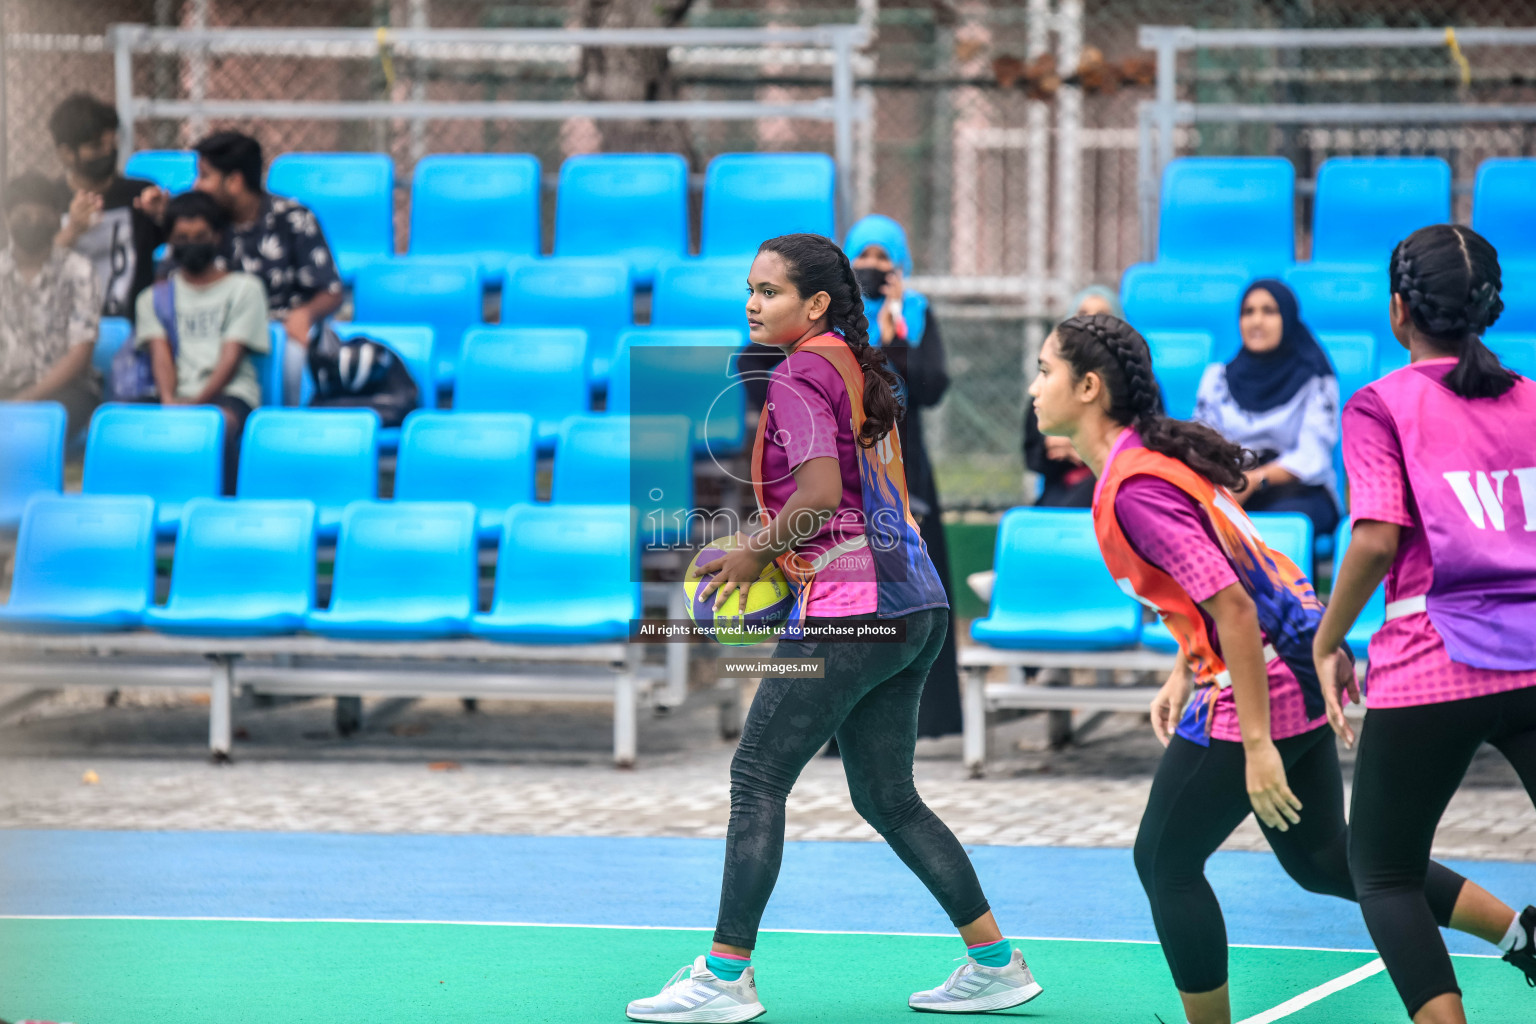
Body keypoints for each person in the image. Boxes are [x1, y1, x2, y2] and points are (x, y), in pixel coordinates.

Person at [1028, 311, 1528, 1024]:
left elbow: (1234, 606)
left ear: (1086, 387)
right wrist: (1183, 666)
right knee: (1327, 858)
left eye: (1044, 371)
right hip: (1285, 671)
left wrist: (1258, 745)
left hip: (1257, 689)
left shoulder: (1136, 485)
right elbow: (1224, 581)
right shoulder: (1147, 461)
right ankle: (1523, 935)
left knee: (1164, 863)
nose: (1033, 386)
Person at [624, 234, 1043, 1022]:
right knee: (889, 796)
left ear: (814, 304)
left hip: (855, 610)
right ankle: (995, 962)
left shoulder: (796, 375)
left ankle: (724, 978)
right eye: (749, 289)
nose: (753, 302)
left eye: (771, 291)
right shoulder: (859, 365)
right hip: (917, 603)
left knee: (756, 779)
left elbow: (816, 494)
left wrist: (753, 551)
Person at [1313, 223, 1536, 1024]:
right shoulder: (1534, 402)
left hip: (1435, 662)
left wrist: (1330, 635)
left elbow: (1374, 536)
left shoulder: (1382, 404)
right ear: (1489, 310)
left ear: (1398, 310)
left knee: (1383, 871)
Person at [844, 213, 961, 739]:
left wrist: (896, 329)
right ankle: (842, 716)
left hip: (906, 469)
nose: (870, 268)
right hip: (848, 468)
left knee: (919, 588)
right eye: (861, 258)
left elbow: (933, 387)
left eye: (881, 258)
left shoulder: (915, 313)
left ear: (899, 267)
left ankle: (926, 717)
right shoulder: (831, 321)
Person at [141, 131, 343, 403]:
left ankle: (287, 429)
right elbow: (166, 280)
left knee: (295, 354)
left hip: (279, 330)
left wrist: (305, 314)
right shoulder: (204, 223)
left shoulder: (292, 218)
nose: (196, 185)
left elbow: (331, 290)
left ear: (235, 181)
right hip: (210, 331)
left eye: (205, 176)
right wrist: (166, 219)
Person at [134, 191, 269, 494]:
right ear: (169, 240)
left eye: (200, 236)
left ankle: (223, 509)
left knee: (216, 428)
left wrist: (196, 406)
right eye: (182, 237)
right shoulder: (153, 298)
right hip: (174, 396)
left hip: (230, 394)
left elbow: (230, 359)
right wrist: (170, 403)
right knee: (121, 426)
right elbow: (160, 355)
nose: (191, 244)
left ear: (218, 237)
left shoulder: (245, 289)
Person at [1193, 280, 1340, 539]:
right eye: (1248, 312)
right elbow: (1202, 440)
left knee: (1276, 526)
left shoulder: (1315, 379)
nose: (1256, 321)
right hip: (1232, 485)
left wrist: (1255, 479)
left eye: (1269, 311)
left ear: (1287, 317)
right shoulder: (1217, 378)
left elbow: (1312, 456)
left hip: (1298, 491)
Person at [1, 173, 102, 434]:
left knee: (37, 426)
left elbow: (80, 353)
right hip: (6, 385)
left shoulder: (80, 271)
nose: (33, 223)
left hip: (66, 392)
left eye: (42, 216)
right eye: (24, 216)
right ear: (7, 217)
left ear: (57, 217)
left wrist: (24, 401)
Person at [47, 93, 163, 321]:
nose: (108, 153)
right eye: (96, 146)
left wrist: (164, 216)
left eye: (113, 143)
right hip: (65, 328)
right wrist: (71, 232)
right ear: (66, 154)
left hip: (132, 328)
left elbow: (183, 248)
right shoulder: (48, 199)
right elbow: (28, 270)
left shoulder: (139, 195)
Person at [1024, 285, 1123, 509]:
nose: (1091, 321)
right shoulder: (1051, 376)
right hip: (1061, 485)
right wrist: (1051, 444)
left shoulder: (1139, 378)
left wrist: (1083, 442)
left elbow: (1146, 438)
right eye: (1082, 313)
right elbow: (1032, 451)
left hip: (1115, 486)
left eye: (1102, 314)